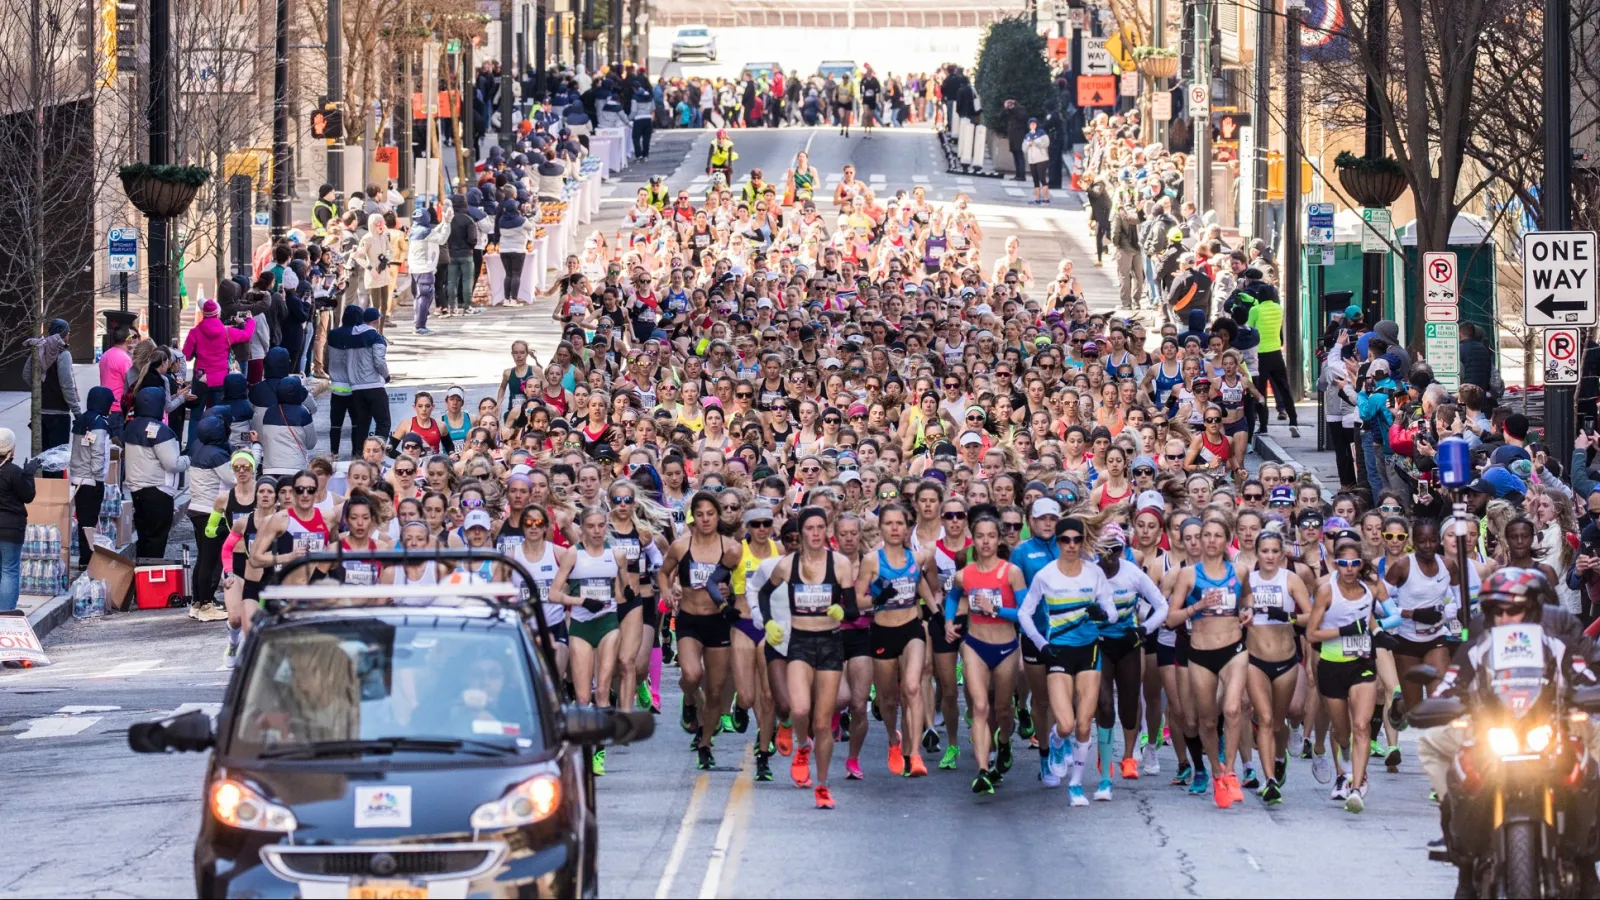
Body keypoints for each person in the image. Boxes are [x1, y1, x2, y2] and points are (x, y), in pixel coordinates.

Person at [1018, 515, 1118, 805]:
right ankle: (1058, 742)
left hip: (1089, 651)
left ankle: (1075, 785)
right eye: (1065, 540)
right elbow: (1025, 613)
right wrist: (1042, 643)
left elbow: (1111, 612)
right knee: (1066, 723)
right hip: (1059, 652)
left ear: (1082, 542)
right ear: (1058, 542)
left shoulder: (1094, 574)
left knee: (1084, 724)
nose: (1071, 545)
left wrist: (1103, 615)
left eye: (1076, 540)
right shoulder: (1046, 575)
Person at [22, 319, 80, 451]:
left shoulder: (39, 349)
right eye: (68, 332)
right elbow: (67, 386)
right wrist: (77, 411)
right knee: (57, 460)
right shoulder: (63, 354)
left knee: (44, 459)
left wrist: (41, 388)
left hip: (40, 412)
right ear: (64, 334)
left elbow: (26, 374)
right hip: (59, 414)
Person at [0, 428, 38, 614]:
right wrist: (29, 474)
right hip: (11, 528)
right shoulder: (13, 472)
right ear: (10, 449)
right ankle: (6, 613)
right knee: (9, 570)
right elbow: (28, 495)